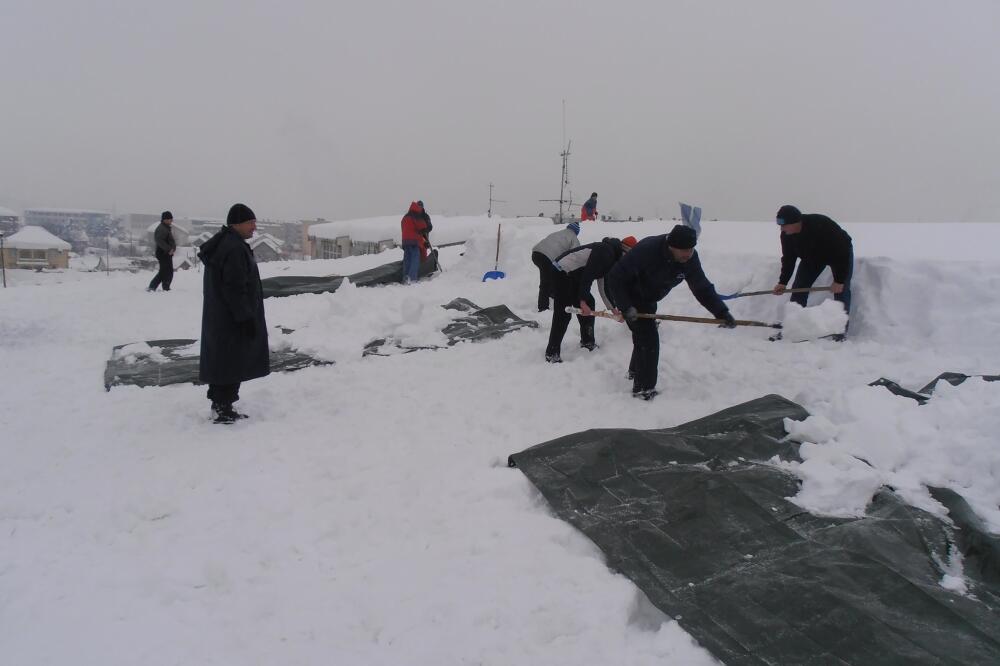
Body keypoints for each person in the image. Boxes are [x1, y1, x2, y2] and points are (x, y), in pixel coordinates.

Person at [606, 225, 736, 400]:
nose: (687, 254)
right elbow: (615, 277)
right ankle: (644, 388)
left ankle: (634, 371)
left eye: (690, 250)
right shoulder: (647, 250)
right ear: (671, 246)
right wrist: (625, 306)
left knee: (643, 336)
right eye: (683, 250)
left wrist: (721, 312)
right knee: (649, 340)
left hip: (650, 297)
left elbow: (701, 287)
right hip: (631, 294)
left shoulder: (689, 259)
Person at [198, 203, 270, 424]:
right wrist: (245, 317)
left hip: (222, 317)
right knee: (231, 361)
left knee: (224, 361)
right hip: (231, 318)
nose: (254, 228)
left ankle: (221, 404)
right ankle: (222, 407)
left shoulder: (227, 243)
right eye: (250, 223)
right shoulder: (234, 248)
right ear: (237, 223)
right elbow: (234, 288)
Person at [544, 236, 638, 363]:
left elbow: (604, 286)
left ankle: (587, 342)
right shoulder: (605, 252)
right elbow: (588, 275)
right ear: (625, 252)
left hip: (574, 275)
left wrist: (613, 309)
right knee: (563, 313)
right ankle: (552, 353)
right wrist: (582, 302)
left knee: (590, 303)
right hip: (561, 271)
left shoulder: (612, 258)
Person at [772, 205, 854, 326]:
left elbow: (842, 252)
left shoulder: (820, 224)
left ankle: (840, 329)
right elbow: (788, 259)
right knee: (798, 288)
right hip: (812, 258)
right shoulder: (787, 236)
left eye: (784, 225)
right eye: (779, 225)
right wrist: (783, 282)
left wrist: (839, 280)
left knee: (841, 290)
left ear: (796, 222)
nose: (781, 229)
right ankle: (794, 325)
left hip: (837, 255)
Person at [531, 222, 580, 311]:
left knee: (551, 277)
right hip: (547, 258)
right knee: (546, 282)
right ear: (576, 232)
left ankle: (552, 295)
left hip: (536, 254)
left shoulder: (557, 233)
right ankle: (543, 308)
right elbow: (575, 254)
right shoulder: (574, 238)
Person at [401, 201, 430, 283]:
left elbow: (403, 228)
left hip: (405, 241)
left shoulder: (405, 217)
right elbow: (423, 227)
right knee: (415, 259)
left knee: (407, 260)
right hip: (414, 241)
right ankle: (412, 278)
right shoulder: (416, 215)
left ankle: (405, 277)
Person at [147, 211, 176, 291]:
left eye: (171, 219)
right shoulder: (162, 229)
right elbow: (159, 241)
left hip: (166, 253)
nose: (171, 221)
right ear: (165, 219)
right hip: (163, 253)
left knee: (167, 271)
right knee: (165, 271)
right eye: (170, 219)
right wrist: (169, 249)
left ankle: (165, 287)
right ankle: (153, 286)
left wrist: (172, 249)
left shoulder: (166, 228)